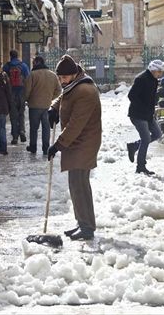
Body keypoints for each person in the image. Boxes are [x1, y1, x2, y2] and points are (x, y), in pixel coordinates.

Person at [47, 55, 101, 241]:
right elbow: (64, 96)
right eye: (59, 78)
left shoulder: (85, 90)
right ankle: (82, 222)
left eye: (64, 78)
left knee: (80, 185)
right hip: (77, 143)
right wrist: (54, 108)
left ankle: (87, 227)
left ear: (74, 74)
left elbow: (76, 124)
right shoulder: (74, 85)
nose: (62, 81)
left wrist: (58, 145)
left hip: (84, 143)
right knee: (76, 184)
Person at [126, 60, 164, 175]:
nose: (160, 74)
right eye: (159, 71)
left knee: (157, 134)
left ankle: (134, 146)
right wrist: (143, 107)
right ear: (153, 70)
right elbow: (131, 95)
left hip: (148, 115)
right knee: (146, 139)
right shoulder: (141, 79)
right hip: (138, 115)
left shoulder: (154, 80)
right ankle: (140, 167)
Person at [24, 56, 61, 155]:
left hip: (34, 106)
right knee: (46, 128)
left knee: (34, 128)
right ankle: (46, 148)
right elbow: (59, 90)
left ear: (36, 62)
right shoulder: (52, 75)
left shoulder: (32, 75)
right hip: (47, 106)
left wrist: (27, 99)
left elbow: (27, 91)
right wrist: (51, 98)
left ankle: (33, 147)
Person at [2, 50, 30, 144]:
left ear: (10, 56)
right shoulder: (23, 66)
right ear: (18, 56)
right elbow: (28, 79)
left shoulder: (7, 66)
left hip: (11, 93)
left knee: (13, 116)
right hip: (21, 92)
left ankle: (14, 137)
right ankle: (22, 130)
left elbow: (3, 80)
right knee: (21, 114)